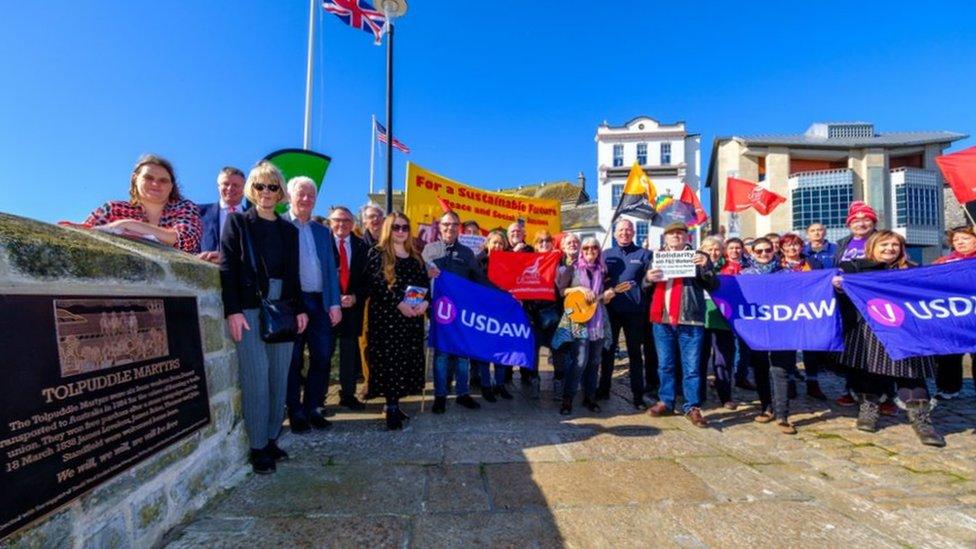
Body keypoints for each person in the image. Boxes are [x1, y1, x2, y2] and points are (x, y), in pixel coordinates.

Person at [219, 161, 308, 474]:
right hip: (249, 308)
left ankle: (272, 438)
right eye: (260, 186)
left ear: (281, 192)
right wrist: (232, 311)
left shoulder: (288, 230)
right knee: (256, 379)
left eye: (272, 186)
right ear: (251, 190)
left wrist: (299, 310)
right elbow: (227, 269)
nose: (266, 192)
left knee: (278, 377)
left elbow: (294, 274)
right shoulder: (238, 224)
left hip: (282, 306)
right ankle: (257, 447)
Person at [832, 230, 945, 446]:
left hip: (906, 331)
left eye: (894, 245)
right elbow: (841, 298)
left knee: (912, 374)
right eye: (884, 245)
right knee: (870, 372)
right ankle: (868, 409)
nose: (889, 249)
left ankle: (921, 419)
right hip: (869, 328)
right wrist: (838, 288)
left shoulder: (912, 271)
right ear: (872, 247)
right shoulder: (854, 268)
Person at [283, 177, 342, 433]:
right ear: (289, 196)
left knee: (322, 355)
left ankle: (313, 408)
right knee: (293, 360)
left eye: (311, 195)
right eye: (301, 194)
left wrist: (334, 303)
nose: (306, 199)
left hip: (319, 302)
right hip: (292, 302)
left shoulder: (323, 231)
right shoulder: (280, 226)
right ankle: (295, 410)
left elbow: (330, 270)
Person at [646, 222, 718, 427]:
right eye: (671, 234)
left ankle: (692, 406)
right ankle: (666, 401)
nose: (676, 236)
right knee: (665, 365)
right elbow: (645, 287)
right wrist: (647, 278)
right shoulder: (656, 257)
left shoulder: (697, 257)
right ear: (665, 238)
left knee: (692, 367)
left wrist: (706, 266)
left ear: (687, 237)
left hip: (690, 318)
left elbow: (713, 284)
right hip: (662, 319)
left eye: (680, 233)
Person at [364, 212, 429, 429]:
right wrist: (399, 304)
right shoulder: (377, 253)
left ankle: (396, 402)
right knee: (389, 361)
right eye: (396, 227)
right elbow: (376, 284)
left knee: (406, 360)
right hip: (387, 320)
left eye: (404, 227)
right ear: (388, 229)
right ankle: (391, 406)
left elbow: (424, 286)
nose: (400, 231)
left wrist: (424, 304)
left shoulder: (416, 256)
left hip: (411, 320)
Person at [423, 211, 490, 413]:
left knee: (462, 356)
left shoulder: (467, 253)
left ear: (458, 227)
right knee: (441, 355)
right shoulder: (429, 250)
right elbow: (418, 278)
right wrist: (425, 274)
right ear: (440, 226)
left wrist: (503, 295)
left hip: (462, 314)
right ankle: (440, 396)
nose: (449, 228)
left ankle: (463, 394)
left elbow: (479, 279)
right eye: (446, 224)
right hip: (438, 312)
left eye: (453, 225)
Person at [75, 154, 202, 253]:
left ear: (171, 186)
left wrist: (126, 224)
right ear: (135, 179)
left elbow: (186, 240)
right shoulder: (113, 209)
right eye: (148, 178)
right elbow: (81, 237)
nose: (155, 184)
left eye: (163, 180)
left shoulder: (185, 208)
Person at [740, 237, 797, 434]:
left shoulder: (787, 274)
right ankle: (766, 407)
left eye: (767, 250)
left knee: (780, 370)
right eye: (759, 251)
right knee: (761, 368)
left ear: (774, 251)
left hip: (782, 327)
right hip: (757, 329)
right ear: (752, 253)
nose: (764, 254)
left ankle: (783, 415)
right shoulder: (745, 275)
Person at [833, 201, 885, 409]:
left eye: (866, 220)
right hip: (847, 303)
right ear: (849, 224)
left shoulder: (883, 240)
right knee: (852, 348)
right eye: (856, 220)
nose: (861, 224)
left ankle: (883, 394)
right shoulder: (842, 244)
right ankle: (852, 389)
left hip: (875, 303)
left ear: (873, 222)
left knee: (879, 350)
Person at [553, 237, 614, 415]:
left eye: (594, 247)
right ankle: (568, 398)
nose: (590, 250)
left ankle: (590, 397)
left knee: (595, 362)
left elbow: (605, 297)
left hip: (598, 321)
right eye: (586, 247)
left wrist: (608, 295)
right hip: (579, 321)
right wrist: (580, 289)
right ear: (582, 250)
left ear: (598, 251)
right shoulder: (572, 269)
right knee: (579, 362)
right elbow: (562, 291)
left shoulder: (603, 271)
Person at [601, 219, 654, 409]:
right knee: (607, 352)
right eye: (621, 230)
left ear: (633, 233)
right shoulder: (606, 255)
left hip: (635, 312)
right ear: (615, 233)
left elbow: (650, 283)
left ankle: (638, 395)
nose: (624, 233)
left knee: (634, 355)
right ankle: (603, 389)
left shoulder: (645, 254)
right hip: (611, 311)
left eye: (628, 230)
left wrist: (648, 279)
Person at [327, 206, 369, 410]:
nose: (341, 224)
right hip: (326, 308)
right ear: (330, 222)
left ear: (353, 224)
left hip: (352, 308)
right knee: (323, 353)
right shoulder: (322, 243)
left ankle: (348, 394)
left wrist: (355, 297)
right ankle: (318, 399)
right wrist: (333, 298)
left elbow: (367, 280)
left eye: (346, 221)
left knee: (348, 354)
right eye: (337, 220)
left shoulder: (361, 246)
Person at [778, 233, 828, 400]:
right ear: (782, 248)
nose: (792, 248)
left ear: (802, 247)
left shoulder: (813, 263)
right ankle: (790, 381)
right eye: (788, 245)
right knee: (788, 349)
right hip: (785, 312)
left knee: (811, 348)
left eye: (796, 245)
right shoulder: (776, 265)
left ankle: (812, 382)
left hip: (810, 310)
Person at [932, 225, 976, 400]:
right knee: (948, 354)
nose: (960, 242)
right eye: (956, 240)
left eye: (965, 238)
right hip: (952, 317)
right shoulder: (943, 262)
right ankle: (948, 388)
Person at [472, 230, 512, 401]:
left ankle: (500, 384)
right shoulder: (477, 261)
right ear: (487, 243)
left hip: (502, 312)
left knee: (501, 350)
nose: (497, 246)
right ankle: (486, 386)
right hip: (483, 312)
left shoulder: (510, 263)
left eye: (500, 243)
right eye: (494, 242)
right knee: (484, 352)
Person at [698, 236, 737, 410]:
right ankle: (698, 394)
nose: (713, 253)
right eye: (709, 249)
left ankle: (725, 395)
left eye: (717, 249)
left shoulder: (731, 267)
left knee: (723, 359)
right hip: (700, 314)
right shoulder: (694, 266)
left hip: (723, 316)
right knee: (699, 357)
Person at [198, 166, 246, 262]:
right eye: (225, 184)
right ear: (218, 187)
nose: (230, 188)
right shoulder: (198, 213)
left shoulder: (254, 218)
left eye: (236, 185)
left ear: (245, 189)